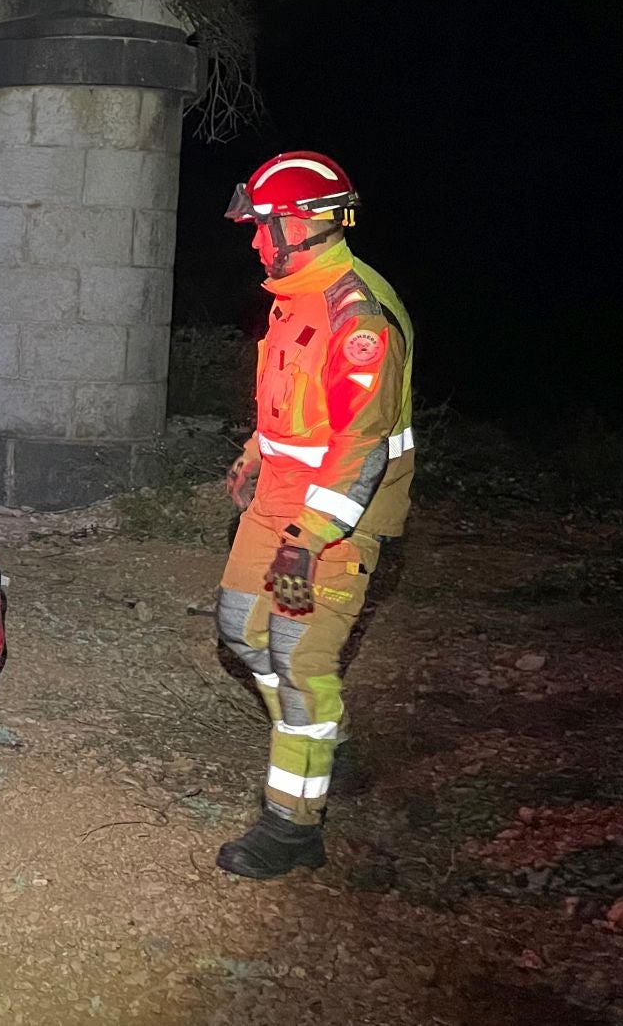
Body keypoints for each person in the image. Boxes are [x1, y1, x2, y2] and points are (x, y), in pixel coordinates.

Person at [215, 153, 414, 878]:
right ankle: (322, 732)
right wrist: (253, 453)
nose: (255, 240)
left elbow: (358, 450)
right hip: (277, 503)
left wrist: (307, 540)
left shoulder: (359, 317)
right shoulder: (295, 295)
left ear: (301, 223)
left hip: (333, 520)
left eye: (263, 225)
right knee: (240, 628)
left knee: (300, 664)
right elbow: (294, 413)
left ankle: (293, 824)